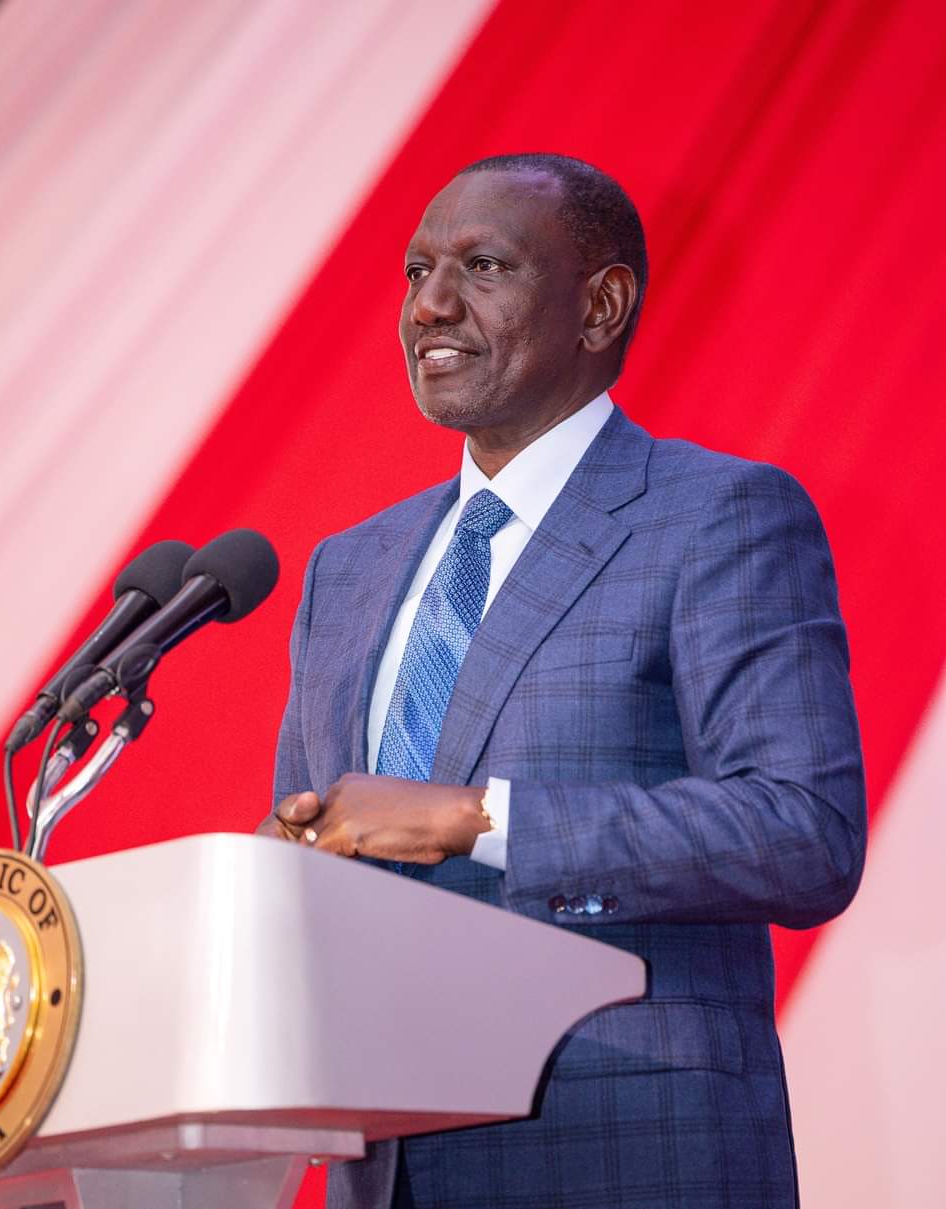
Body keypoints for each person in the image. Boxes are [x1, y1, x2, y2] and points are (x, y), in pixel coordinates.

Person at [257, 153, 866, 1209]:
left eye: (482, 266)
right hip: (388, 1168)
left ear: (602, 305)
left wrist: (475, 819)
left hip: (624, 1152)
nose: (430, 305)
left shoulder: (718, 516)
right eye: (415, 271)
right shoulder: (345, 569)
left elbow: (802, 832)